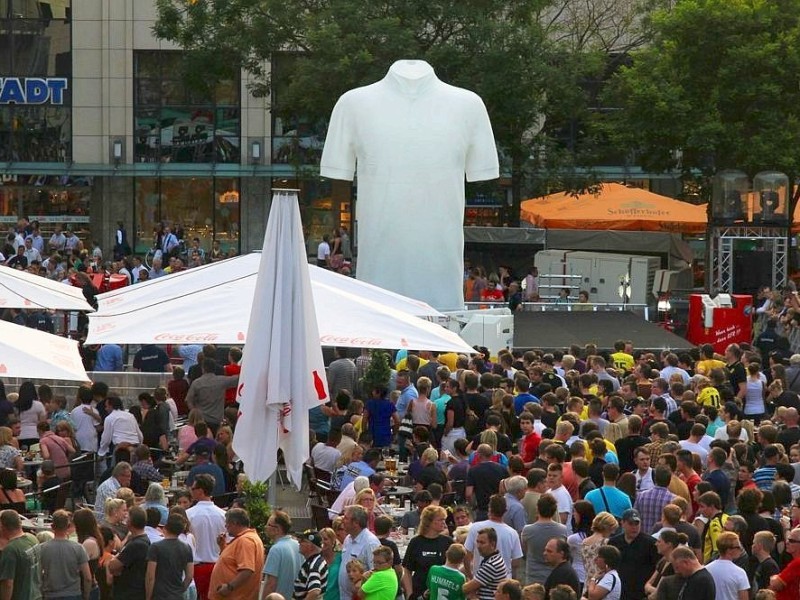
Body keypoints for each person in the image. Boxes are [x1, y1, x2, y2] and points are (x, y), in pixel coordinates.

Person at [208, 508, 265, 600]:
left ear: (234, 523)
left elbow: (247, 570)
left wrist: (229, 587)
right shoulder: (245, 538)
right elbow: (232, 562)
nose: (226, 526)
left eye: (227, 523)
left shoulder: (245, 541)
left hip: (235, 596)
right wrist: (222, 546)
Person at [187, 473, 227, 600]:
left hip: (196, 568)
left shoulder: (189, 514)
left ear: (200, 491)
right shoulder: (223, 515)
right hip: (217, 566)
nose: (191, 491)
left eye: (193, 489)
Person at [40, 509, 93, 600]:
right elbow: (88, 577)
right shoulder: (78, 548)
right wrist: (86, 596)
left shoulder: (42, 548)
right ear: (68, 526)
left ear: (52, 526)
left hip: (50, 595)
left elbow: (38, 575)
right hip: (73, 594)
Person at [402, 505, 452, 600]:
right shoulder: (416, 542)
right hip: (419, 592)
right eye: (440, 520)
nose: (444, 523)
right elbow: (407, 570)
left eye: (444, 520)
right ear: (429, 522)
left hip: (441, 594)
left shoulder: (447, 542)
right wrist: (409, 594)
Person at [607, 509, 658, 600]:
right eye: (631, 524)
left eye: (637, 523)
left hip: (641, 592)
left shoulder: (650, 543)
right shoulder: (614, 542)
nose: (634, 527)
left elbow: (658, 568)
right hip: (620, 591)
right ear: (622, 523)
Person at [522, 493, 569, 585]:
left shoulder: (528, 530)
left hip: (533, 576)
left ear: (538, 509)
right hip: (555, 575)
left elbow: (525, 550)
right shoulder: (562, 530)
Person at [339, 505, 382, 600]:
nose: (342, 520)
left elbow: (377, 573)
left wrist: (361, 584)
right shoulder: (348, 539)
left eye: (346, 518)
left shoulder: (371, 543)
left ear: (356, 523)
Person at [108, 506, 151, 600]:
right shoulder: (134, 540)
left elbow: (113, 565)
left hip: (130, 594)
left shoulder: (137, 545)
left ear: (130, 522)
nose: (125, 519)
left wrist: (114, 559)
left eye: (127, 517)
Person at [262, 510, 302, 600]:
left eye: (268, 525)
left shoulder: (276, 550)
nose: (265, 527)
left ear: (277, 529)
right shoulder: (298, 545)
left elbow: (271, 584)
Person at [0, 509, 40, 599]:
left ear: (2, 526)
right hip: (36, 595)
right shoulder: (33, 539)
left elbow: (8, 584)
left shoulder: (11, 550)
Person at [462, 528, 506, 600]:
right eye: (477, 542)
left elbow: (465, 588)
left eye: (482, 543)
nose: (478, 546)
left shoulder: (491, 565)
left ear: (492, 544)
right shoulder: (496, 558)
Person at [295, 530, 329, 600]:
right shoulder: (316, 561)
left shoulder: (314, 565)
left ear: (310, 546)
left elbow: (315, 591)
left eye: (303, 541)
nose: (299, 542)